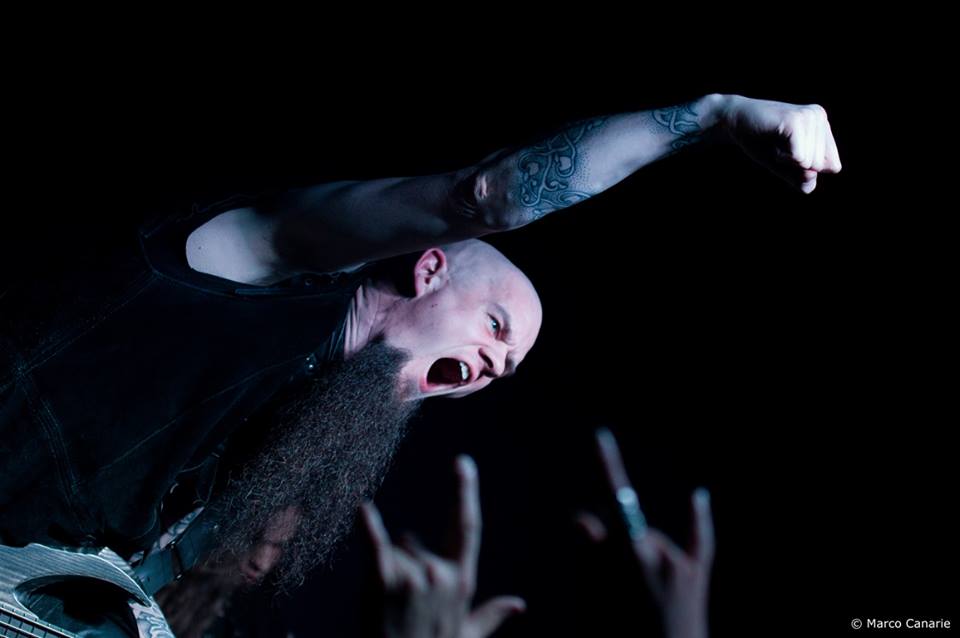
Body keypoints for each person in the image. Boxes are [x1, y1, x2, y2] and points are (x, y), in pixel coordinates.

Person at [0, 93, 838, 624]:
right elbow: (487, 196)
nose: (496, 365)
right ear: (430, 268)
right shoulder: (268, 259)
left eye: (507, 368)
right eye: (497, 326)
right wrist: (711, 114)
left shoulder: (284, 414)